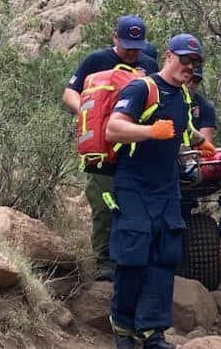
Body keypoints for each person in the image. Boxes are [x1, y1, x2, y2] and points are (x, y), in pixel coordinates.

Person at [105, 34, 216, 349]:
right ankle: (123, 327)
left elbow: (178, 128)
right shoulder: (142, 88)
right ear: (169, 56)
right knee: (133, 256)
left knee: (164, 259)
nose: (190, 67)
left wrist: (198, 141)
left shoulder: (182, 95)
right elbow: (114, 129)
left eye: (195, 63)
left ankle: (153, 331)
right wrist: (150, 131)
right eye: (185, 60)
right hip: (134, 184)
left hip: (166, 186)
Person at [62, 16, 159, 282]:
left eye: (137, 46)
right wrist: (90, 110)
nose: (132, 52)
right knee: (104, 206)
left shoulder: (148, 65)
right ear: (114, 37)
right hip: (102, 151)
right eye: (127, 45)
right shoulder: (96, 60)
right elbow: (69, 92)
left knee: (134, 204)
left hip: (135, 149)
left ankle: (132, 258)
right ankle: (104, 261)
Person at [188, 63, 217, 142]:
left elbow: (205, 142)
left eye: (196, 81)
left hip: (193, 151)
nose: (191, 84)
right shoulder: (169, 100)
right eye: (188, 78)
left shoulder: (206, 107)